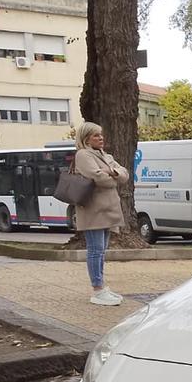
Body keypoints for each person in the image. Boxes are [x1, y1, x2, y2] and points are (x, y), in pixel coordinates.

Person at [73, 121, 128, 306]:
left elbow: (124, 174)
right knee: (95, 250)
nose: (101, 138)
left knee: (101, 251)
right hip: (93, 210)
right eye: (96, 135)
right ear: (86, 138)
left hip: (107, 210)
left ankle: (101, 286)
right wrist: (113, 176)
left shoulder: (105, 155)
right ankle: (97, 289)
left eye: (101, 134)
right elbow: (98, 178)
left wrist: (111, 171)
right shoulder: (83, 154)